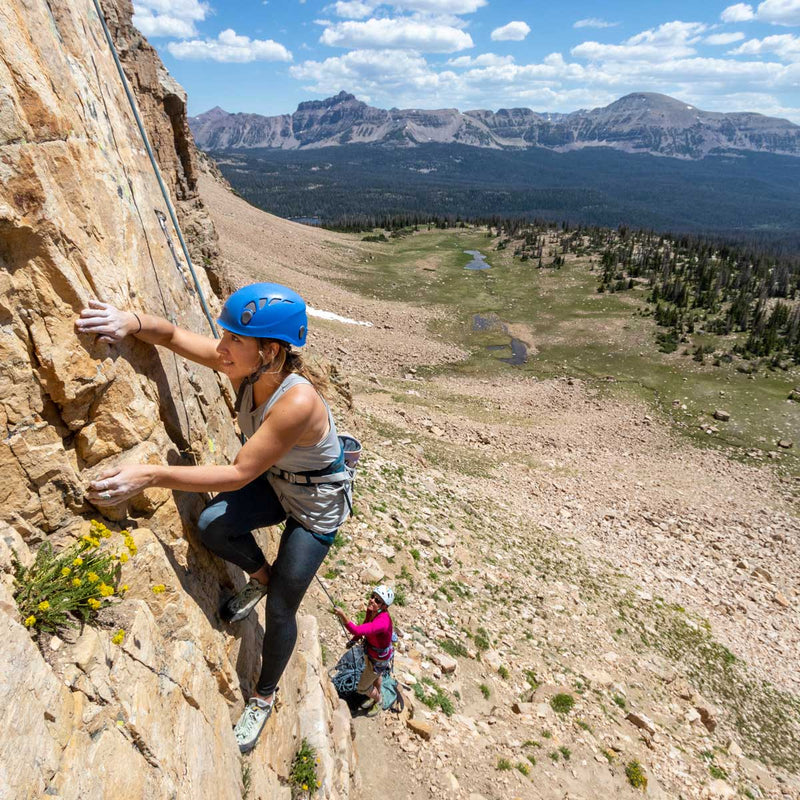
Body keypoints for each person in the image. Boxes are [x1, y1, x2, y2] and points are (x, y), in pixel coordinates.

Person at [76, 282, 351, 753]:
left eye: (233, 340)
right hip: (280, 482)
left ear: (269, 352)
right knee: (213, 526)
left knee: (283, 608)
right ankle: (261, 575)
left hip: (314, 506)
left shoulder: (296, 402)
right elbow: (174, 336)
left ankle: (263, 698)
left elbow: (240, 473)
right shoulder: (242, 365)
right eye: (224, 337)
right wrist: (130, 322)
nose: (221, 349)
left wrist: (151, 474)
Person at [334, 585, 394, 717]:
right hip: (373, 654)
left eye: (378, 601)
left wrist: (343, 616)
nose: (372, 600)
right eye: (373, 596)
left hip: (378, 658)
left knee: (362, 687)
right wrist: (354, 640)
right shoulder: (372, 611)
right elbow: (363, 628)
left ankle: (378, 700)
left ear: (384, 606)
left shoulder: (382, 622)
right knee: (376, 676)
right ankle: (375, 694)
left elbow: (357, 629)